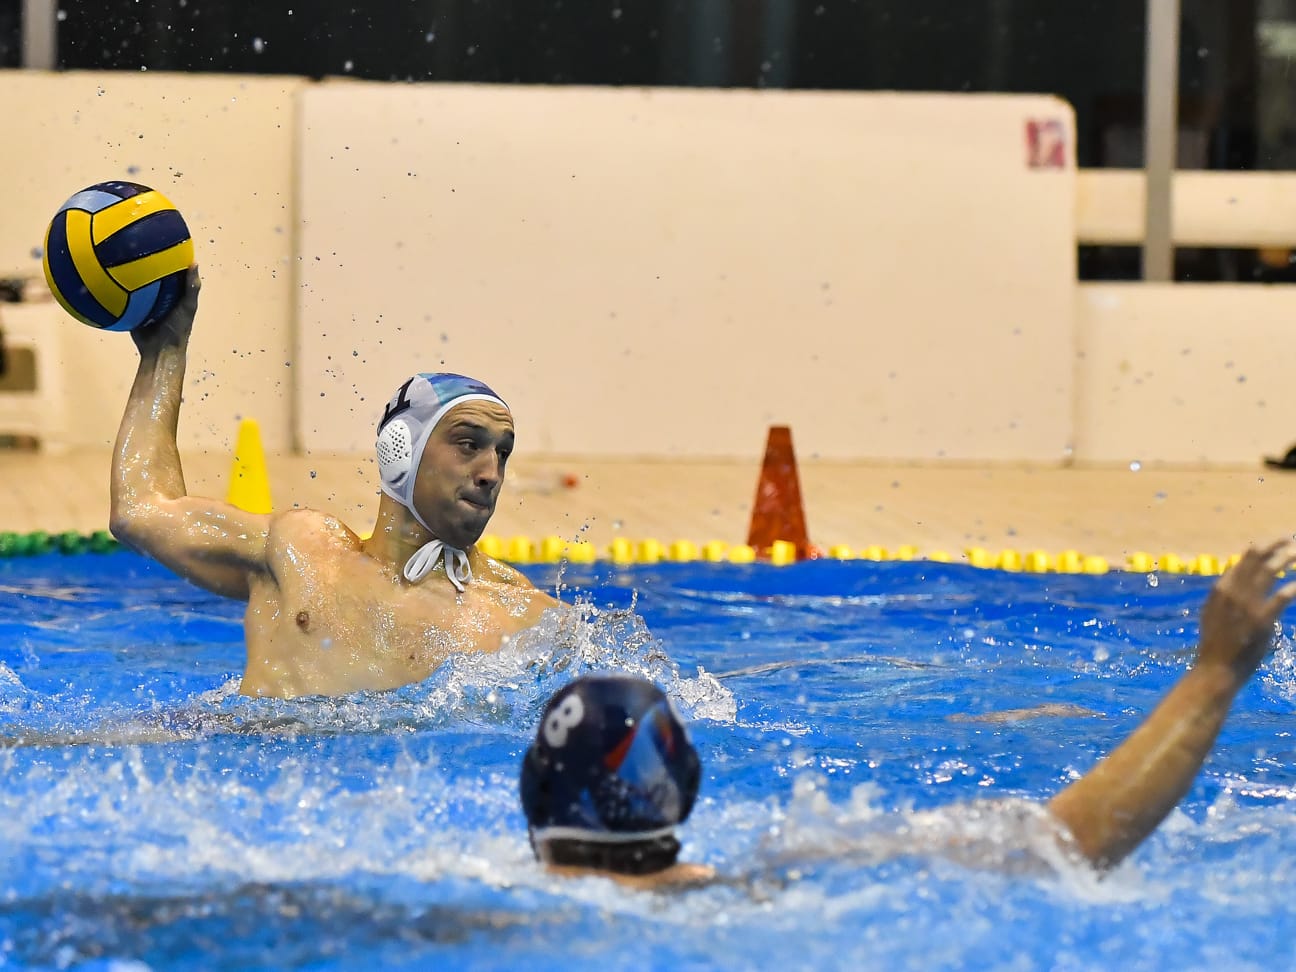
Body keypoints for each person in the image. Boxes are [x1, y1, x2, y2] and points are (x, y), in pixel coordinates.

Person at [520, 538, 1296, 886]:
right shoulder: (781, 880)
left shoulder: (486, 906)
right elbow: (1071, 844)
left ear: (534, 790)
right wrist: (1214, 674)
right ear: (684, 786)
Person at [109, 267, 558, 699]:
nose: (491, 473)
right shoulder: (300, 553)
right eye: (468, 444)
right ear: (401, 450)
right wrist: (165, 352)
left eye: (502, 452)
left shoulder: (524, 617)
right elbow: (140, 511)